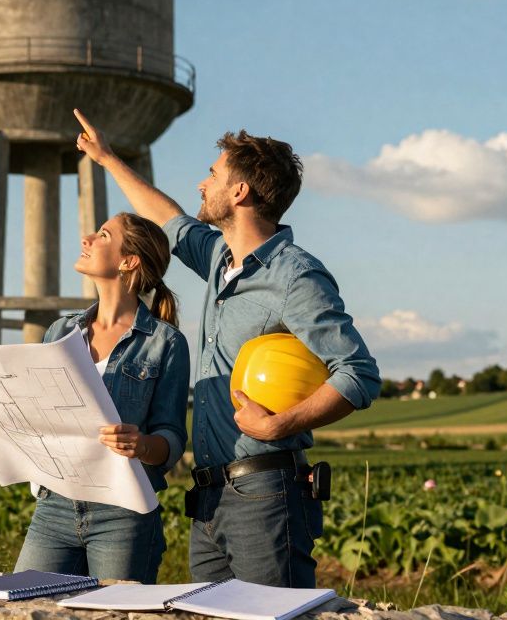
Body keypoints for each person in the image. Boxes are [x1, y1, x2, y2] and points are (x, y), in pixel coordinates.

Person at [72, 109, 381, 589]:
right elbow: (166, 218)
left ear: (240, 192)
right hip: (210, 496)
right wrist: (107, 158)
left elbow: (358, 373)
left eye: (213, 174)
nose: (202, 183)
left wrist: (280, 423)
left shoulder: (295, 275)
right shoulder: (219, 258)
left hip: (267, 493)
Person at [0, 212, 190, 584]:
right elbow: (31, 416)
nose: (87, 238)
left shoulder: (166, 343)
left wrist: (140, 445)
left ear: (129, 261)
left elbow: (171, 440)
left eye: (104, 235)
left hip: (123, 514)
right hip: (54, 506)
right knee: (26, 606)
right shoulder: (61, 330)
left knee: (114, 616)